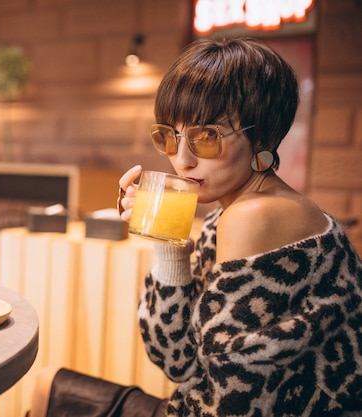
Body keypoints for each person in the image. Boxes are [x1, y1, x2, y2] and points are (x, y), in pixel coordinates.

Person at [28, 37, 362, 417]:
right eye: (169, 136)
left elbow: (233, 402)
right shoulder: (224, 216)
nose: (181, 160)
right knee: (46, 383)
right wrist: (167, 241)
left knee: (46, 394)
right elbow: (178, 361)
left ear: (263, 137)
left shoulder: (256, 216)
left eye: (207, 137)